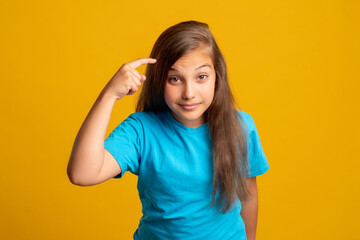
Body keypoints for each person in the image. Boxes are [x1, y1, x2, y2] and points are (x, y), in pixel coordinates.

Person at [67, 20, 269, 240]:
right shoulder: (141, 131)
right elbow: (81, 173)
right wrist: (109, 95)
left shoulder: (240, 126)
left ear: (217, 78)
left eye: (201, 77)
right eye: (175, 79)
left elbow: (248, 196)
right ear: (159, 81)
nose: (189, 92)